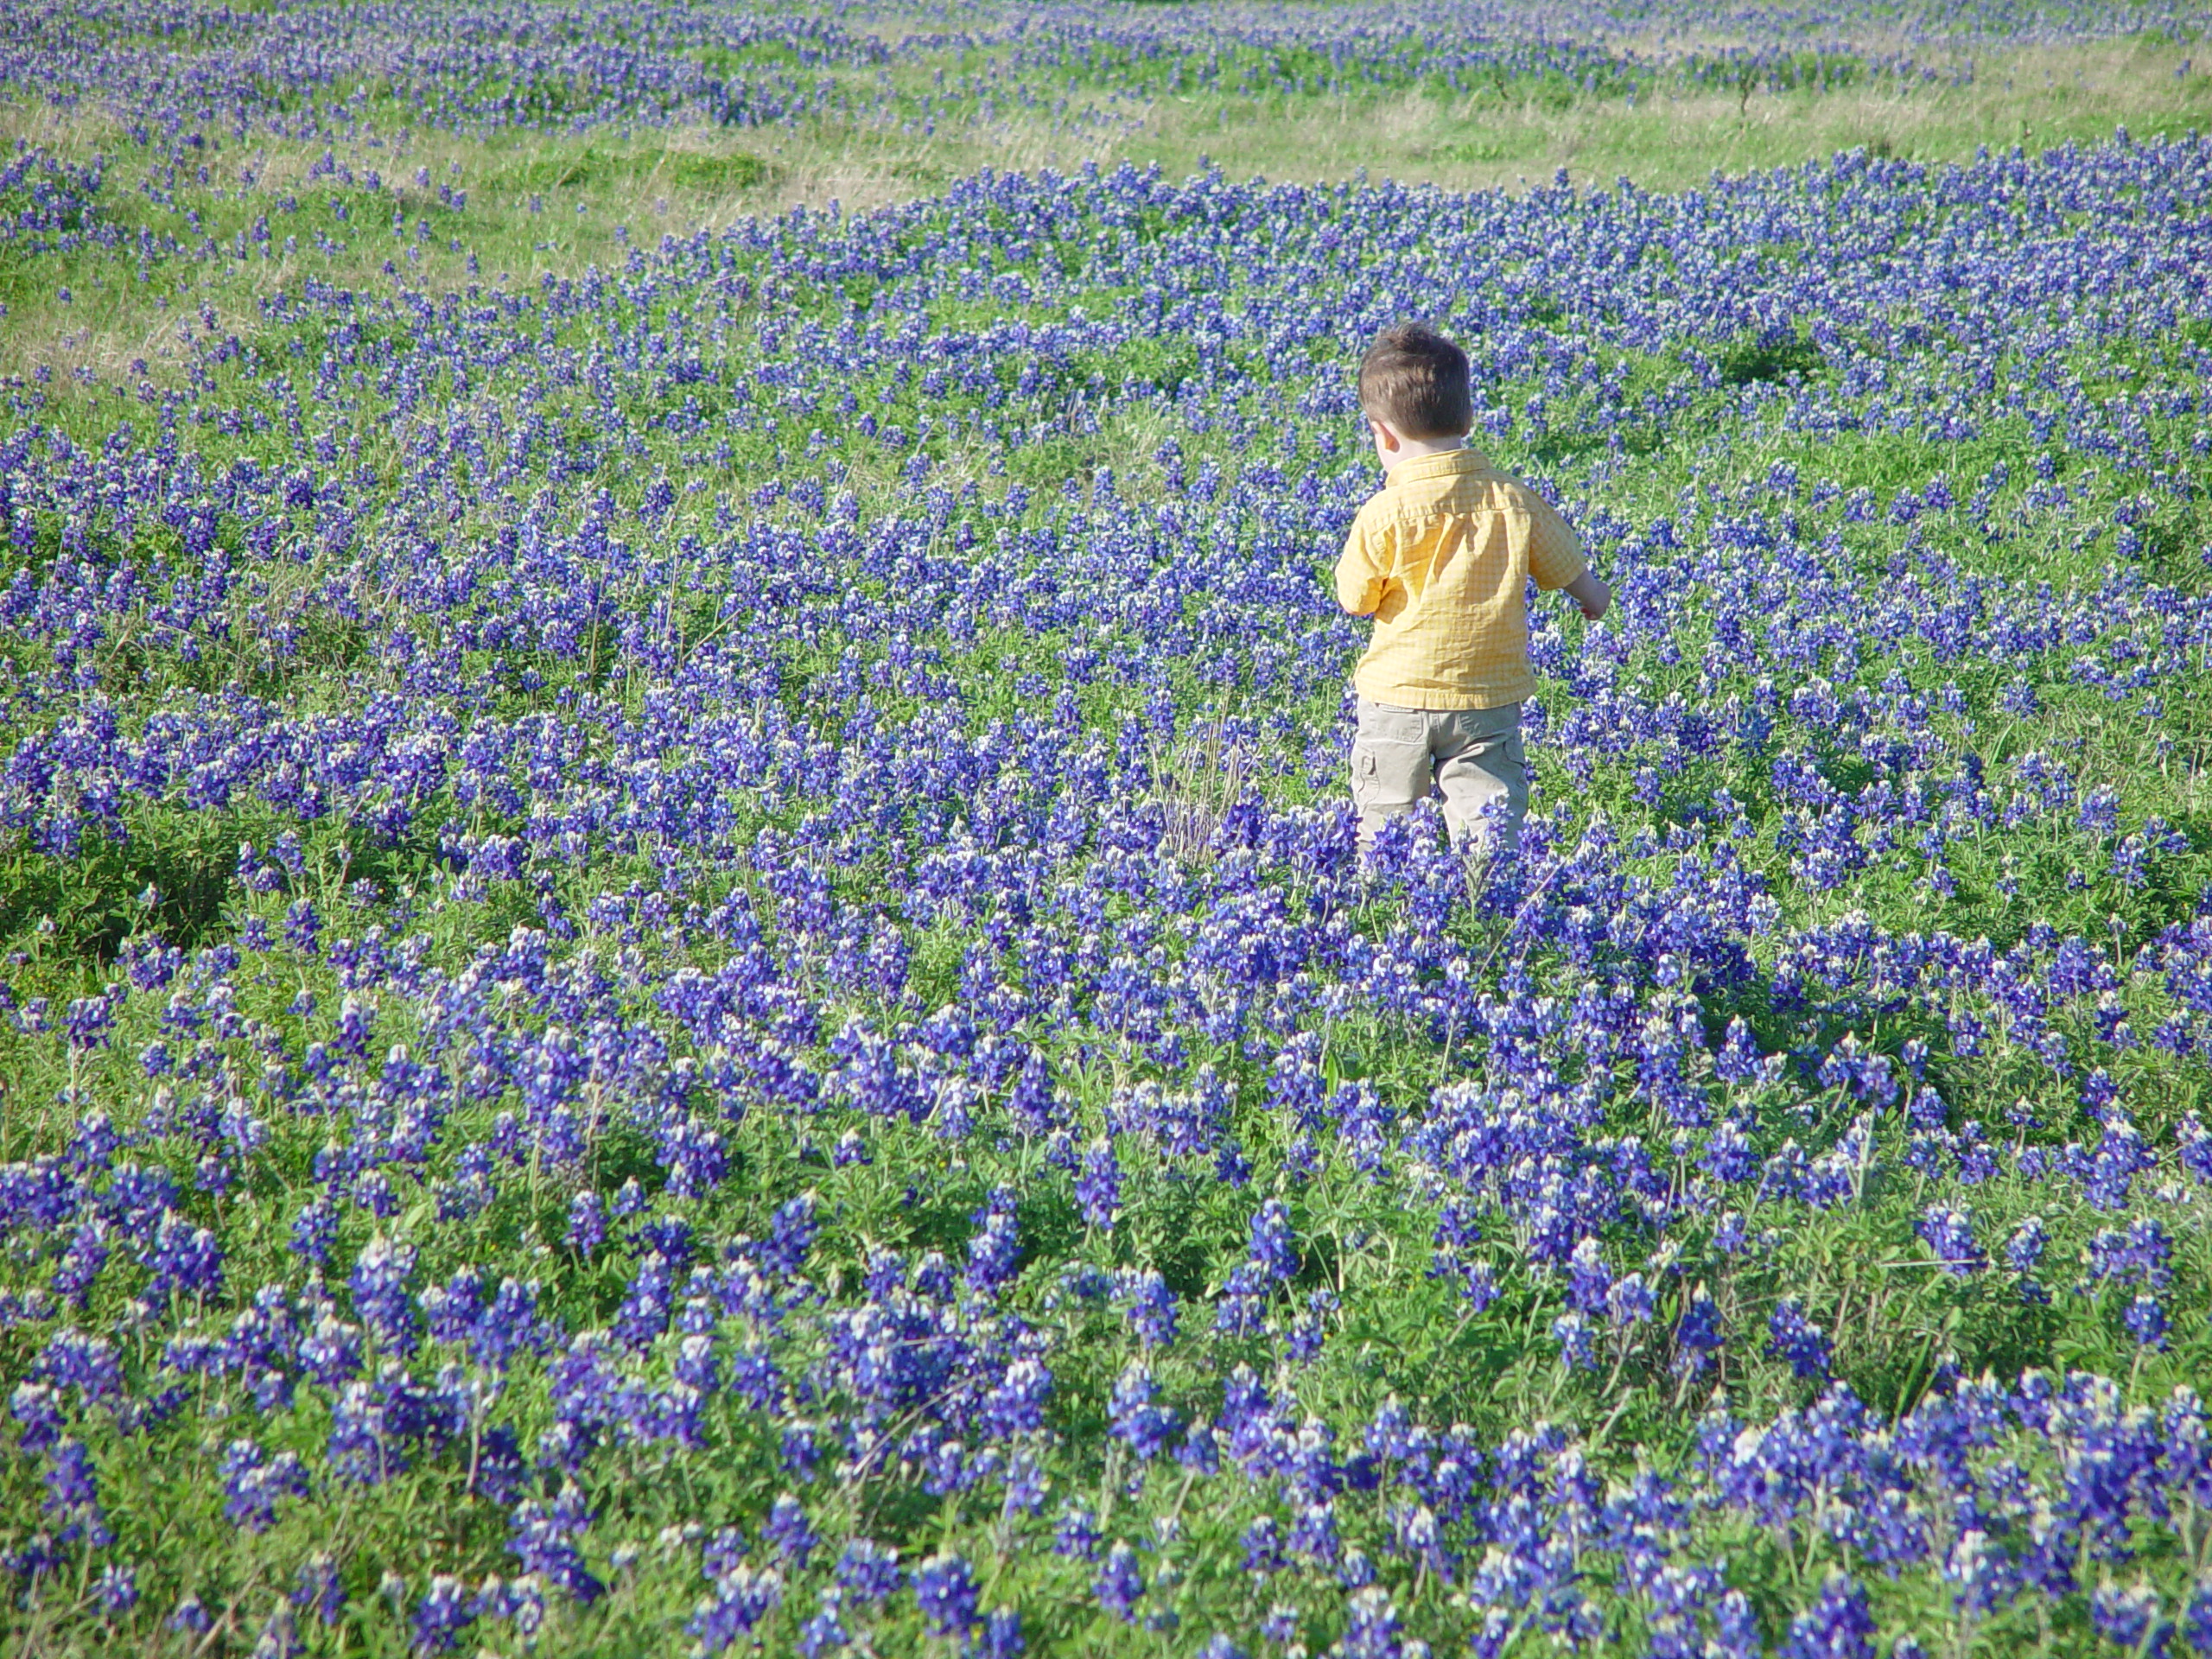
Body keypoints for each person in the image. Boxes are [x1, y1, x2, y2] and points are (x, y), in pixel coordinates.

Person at [1333, 321, 1610, 853]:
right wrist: (1593, 597)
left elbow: (1355, 599)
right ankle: (1485, 907)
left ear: (1383, 435)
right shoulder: (1513, 499)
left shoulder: (1382, 512)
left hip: (1396, 700)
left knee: (1386, 823)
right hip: (1486, 701)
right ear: (1469, 418)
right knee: (1490, 820)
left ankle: (1386, 911)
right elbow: (1566, 564)